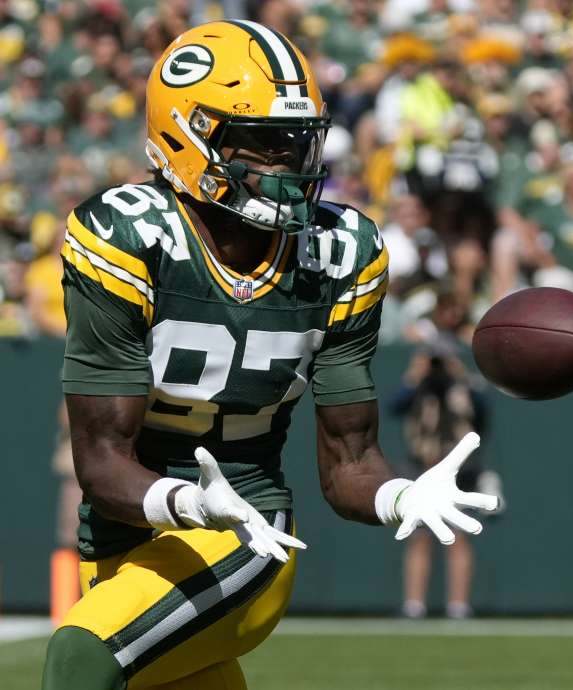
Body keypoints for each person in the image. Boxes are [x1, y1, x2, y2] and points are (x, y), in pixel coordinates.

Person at [42, 21, 498, 690]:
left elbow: (349, 464)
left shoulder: (340, 253)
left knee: (80, 657)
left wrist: (399, 495)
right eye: (262, 141)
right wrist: (189, 502)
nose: (288, 161)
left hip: (249, 535)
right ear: (188, 135)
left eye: (297, 139)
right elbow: (101, 461)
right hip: (126, 539)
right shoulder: (128, 236)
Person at [389, 345, 502, 619]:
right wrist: (415, 375)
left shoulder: (463, 387)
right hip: (421, 467)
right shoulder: (419, 387)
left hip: (457, 472)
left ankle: (459, 605)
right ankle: (414, 605)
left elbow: (484, 408)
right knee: (418, 537)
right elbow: (393, 406)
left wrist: (461, 374)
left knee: (458, 536)